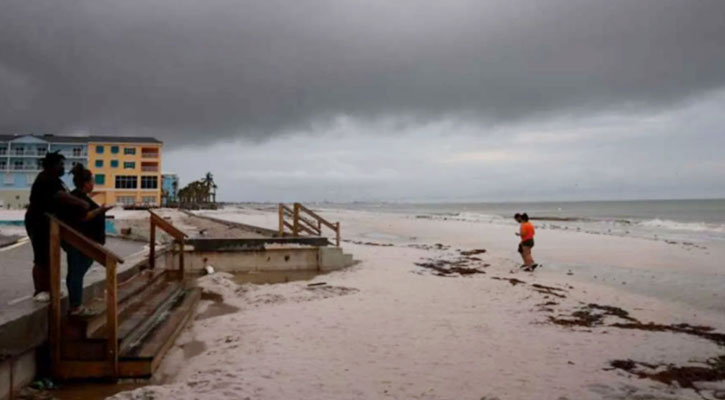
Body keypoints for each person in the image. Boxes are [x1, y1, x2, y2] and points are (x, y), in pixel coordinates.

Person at [25, 152, 89, 302]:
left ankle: (50, 288)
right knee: (41, 257)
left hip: (51, 223)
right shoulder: (45, 178)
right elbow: (60, 195)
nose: (62, 167)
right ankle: (40, 290)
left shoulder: (56, 180)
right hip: (38, 222)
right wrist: (81, 203)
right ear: (52, 166)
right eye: (60, 164)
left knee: (50, 256)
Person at [64, 164, 113, 315]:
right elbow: (83, 217)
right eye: (92, 181)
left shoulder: (78, 196)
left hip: (85, 242)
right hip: (79, 242)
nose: (93, 184)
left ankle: (75, 303)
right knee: (76, 272)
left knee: (76, 271)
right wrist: (101, 210)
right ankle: (75, 306)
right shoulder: (76, 198)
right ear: (85, 184)